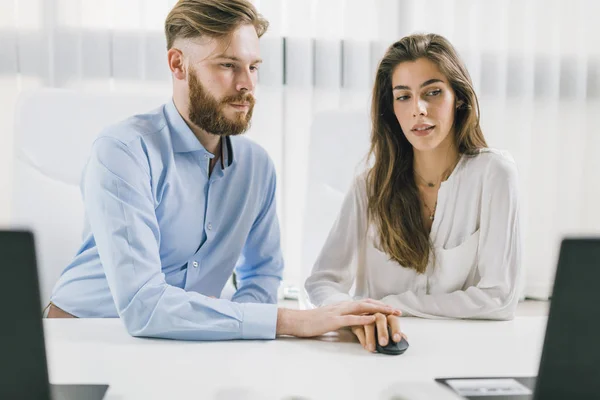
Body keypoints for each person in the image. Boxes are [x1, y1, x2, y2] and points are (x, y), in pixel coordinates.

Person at [47, 0, 401, 340]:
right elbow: (144, 305)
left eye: (253, 66)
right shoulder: (124, 151)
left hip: (182, 343)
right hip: (83, 337)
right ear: (178, 64)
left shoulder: (256, 168)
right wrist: (291, 321)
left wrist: (231, 328)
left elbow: (262, 275)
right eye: (228, 65)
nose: (246, 83)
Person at [305, 33, 522, 353]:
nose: (418, 109)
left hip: (464, 351)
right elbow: (322, 281)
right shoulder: (370, 186)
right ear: (390, 108)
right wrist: (358, 315)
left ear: (458, 97)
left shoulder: (494, 175)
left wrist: (389, 306)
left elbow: (499, 298)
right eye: (403, 96)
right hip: (376, 351)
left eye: (432, 92)